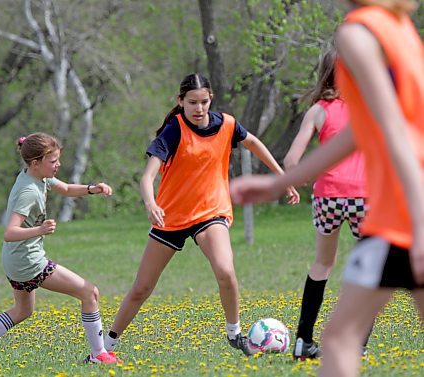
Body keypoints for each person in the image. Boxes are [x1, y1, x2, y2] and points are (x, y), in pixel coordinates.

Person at [230, 0, 423, 376]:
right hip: (389, 213)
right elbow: (362, 131)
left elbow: (395, 133)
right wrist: (280, 183)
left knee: (339, 337)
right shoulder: (399, 27)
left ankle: (303, 340)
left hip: (402, 213)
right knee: (339, 338)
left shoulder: (358, 33)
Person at [102, 73, 300, 357]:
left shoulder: (227, 124)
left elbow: (254, 143)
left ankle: (235, 334)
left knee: (226, 271)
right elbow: (147, 177)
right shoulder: (173, 130)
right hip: (169, 217)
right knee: (141, 288)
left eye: (204, 102)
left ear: (211, 99)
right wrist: (150, 203)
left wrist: (283, 179)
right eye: (192, 102)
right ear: (180, 101)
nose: (198, 108)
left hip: (211, 212)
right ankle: (106, 347)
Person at [0, 132, 120, 370]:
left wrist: (93, 188)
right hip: (28, 262)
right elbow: (9, 232)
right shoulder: (28, 192)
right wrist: (39, 230)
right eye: (53, 161)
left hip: (14, 261)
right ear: (35, 163)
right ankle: (99, 354)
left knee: (22, 310)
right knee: (89, 293)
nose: (58, 165)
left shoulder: (37, 178)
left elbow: (64, 189)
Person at [282, 49, 369, 360]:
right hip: (363, 196)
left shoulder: (318, 110)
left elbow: (291, 161)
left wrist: (301, 178)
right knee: (370, 268)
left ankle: (303, 342)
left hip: (327, 198)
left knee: (322, 265)